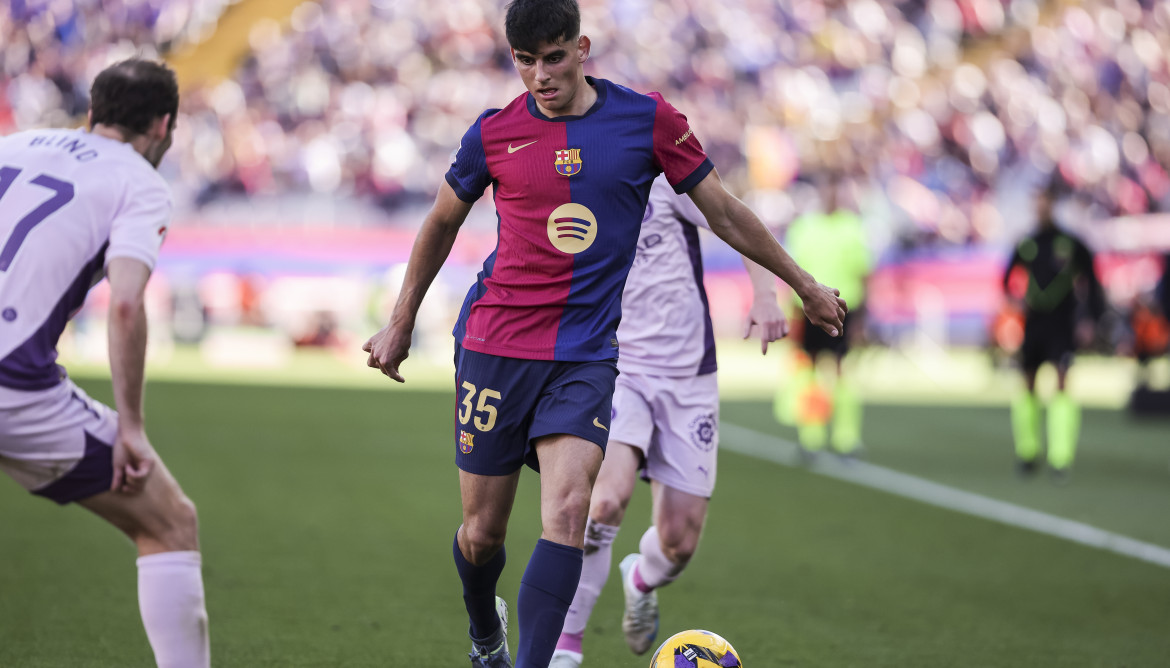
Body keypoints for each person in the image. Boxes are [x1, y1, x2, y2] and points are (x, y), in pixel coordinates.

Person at [362, 2, 845, 666]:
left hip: (586, 356)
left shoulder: (648, 122)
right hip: (495, 347)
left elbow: (726, 213)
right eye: (526, 62)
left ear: (582, 48)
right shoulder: (494, 133)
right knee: (481, 535)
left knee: (569, 513)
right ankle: (483, 628)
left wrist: (804, 285)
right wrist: (400, 322)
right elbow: (442, 221)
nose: (541, 77)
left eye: (554, 58)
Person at [0, 59, 210, 667]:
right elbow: (124, 305)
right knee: (169, 523)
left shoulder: (13, 145)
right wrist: (131, 427)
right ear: (163, 125)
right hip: (15, 388)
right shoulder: (139, 183)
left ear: (93, 113)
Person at [548, 175, 788, 667]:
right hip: (618, 366)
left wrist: (765, 292)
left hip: (686, 375)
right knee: (604, 500)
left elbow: (731, 219)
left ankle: (640, 577)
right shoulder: (571, 183)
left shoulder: (664, 176)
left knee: (678, 540)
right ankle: (565, 648)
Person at [1003, 179, 1105, 480]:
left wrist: (1090, 319)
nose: (1040, 207)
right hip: (1035, 324)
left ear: (1053, 204)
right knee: (1028, 383)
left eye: (1044, 201)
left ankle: (1060, 457)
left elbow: (1093, 282)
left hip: (1062, 324)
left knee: (1061, 384)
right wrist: (1014, 301)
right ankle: (1028, 451)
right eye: (1036, 201)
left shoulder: (1071, 243)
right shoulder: (1027, 243)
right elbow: (1007, 276)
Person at [774, 174, 871, 458]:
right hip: (807, 309)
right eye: (827, 187)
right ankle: (811, 438)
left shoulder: (854, 228)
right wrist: (790, 313)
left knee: (842, 372)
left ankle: (846, 439)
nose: (831, 194)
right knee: (810, 372)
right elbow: (789, 271)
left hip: (844, 308)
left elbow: (865, 274)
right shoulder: (804, 227)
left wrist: (863, 318)